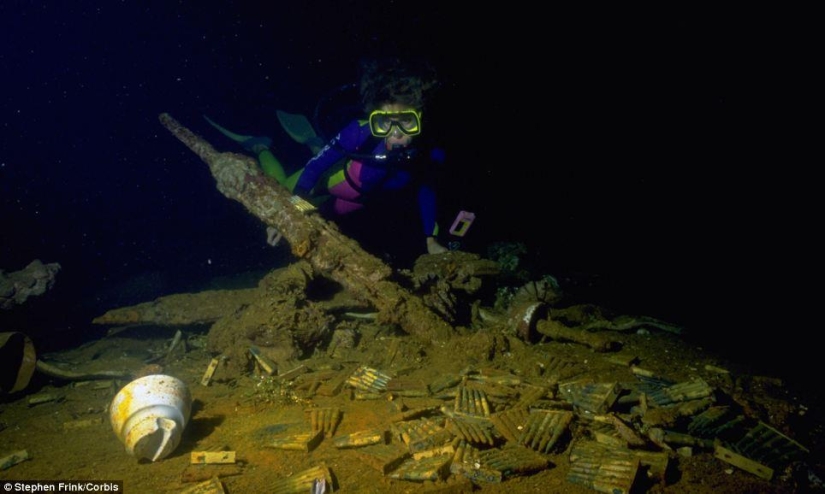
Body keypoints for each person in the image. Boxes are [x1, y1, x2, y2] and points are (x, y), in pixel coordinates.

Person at [206, 57, 449, 257]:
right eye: (385, 122)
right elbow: (314, 169)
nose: (396, 134)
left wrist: (431, 240)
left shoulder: (430, 153)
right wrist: (290, 212)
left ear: (421, 117)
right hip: (328, 181)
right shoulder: (359, 131)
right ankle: (261, 147)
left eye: (407, 122)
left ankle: (316, 144)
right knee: (280, 189)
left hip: (355, 203)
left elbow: (426, 191)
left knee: (319, 217)